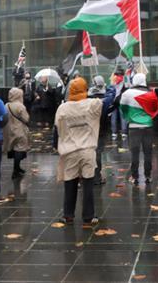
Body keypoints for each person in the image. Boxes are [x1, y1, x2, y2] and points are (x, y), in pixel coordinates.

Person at [55, 77, 102, 224]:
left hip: (69, 150)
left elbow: (57, 129)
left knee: (70, 183)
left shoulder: (62, 108)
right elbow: (108, 99)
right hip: (88, 150)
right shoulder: (93, 104)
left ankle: (68, 215)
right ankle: (89, 216)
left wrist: (57, 146)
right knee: (88, 184)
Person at [119, 73, 158, 185]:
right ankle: (148, 175)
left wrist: (129, 117)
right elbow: (155, 109)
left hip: (134, 127)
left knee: (135, 153)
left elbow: (123, 108)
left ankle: (135, 176)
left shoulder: (127, 93)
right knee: (148, 152)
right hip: (148, 126)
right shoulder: (151, 93)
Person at [88, 75, 116, 185]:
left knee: (89, 153)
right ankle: (96, 177)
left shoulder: (87, 97)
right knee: (98, 153)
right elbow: (112, 94)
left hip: (89, 129)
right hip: (101, 130)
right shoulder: (106, 100)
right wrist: (107, 87)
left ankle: (88, 176)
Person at [3, 87, 31, 179]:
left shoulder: (6, 105)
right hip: (19, 130)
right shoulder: (20, 106)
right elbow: (26, 118)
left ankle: (17, 168)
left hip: (8, 130)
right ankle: (16, 170)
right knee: (19, 149)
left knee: (14, 148)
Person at [109, 69, 127, 139]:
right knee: (123, 117)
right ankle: (124, 133)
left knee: (113, 117)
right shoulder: (124, 80)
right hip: (121, 100)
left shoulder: (113, 81)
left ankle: (114, 133)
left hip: (113, 101)